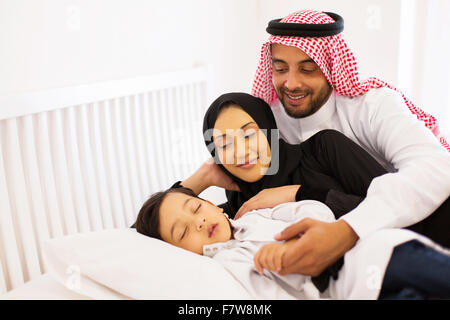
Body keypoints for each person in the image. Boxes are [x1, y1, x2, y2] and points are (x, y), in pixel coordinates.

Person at [239, 9, 450, 277]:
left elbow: (436, 166)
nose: (291, 83)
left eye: (307, 69)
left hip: (416, 223)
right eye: (280, 69)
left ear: (330, 65)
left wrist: (347, 230)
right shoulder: (270, 119)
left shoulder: (372, 105)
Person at [133, 186, 450, 300]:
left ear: (213, 205)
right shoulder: (230, 265)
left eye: (196, 208)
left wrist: (303, 232)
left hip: (376, 255)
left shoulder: (257, 216)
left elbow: (315, 209)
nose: (198, 222)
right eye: (183, 232)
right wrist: (278, 263)